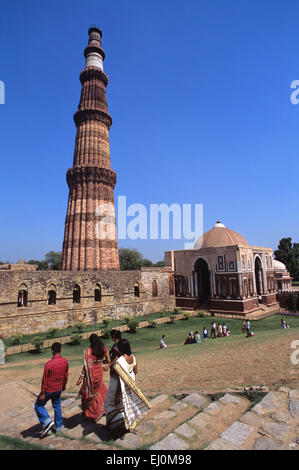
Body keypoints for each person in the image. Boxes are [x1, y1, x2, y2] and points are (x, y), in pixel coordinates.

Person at [104, 339, 151, 437]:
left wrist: (117, 395)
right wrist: (129, 380)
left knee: (110, 404)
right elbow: (135, 371)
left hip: (118, 387)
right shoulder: (133, 357)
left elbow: (119, 381)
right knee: (127, 404)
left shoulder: (120, 361)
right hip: (129, 386)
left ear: (120, 349)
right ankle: (128, 423)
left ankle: (115, 425)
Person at [34, 342, 69, 438]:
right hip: (58, 388)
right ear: (60, 350)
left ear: (52, 351)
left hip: (49, 389)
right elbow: (66, 375)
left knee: (38, 405)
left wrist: (43, 393)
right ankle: (59, 427)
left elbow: (45, 379)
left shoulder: (48, 364)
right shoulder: (65, 361)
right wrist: (64, 386)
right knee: (57, 406)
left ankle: (47, 422)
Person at [76, 334, 110, 423]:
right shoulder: (104, 349)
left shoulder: (89, 351)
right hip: (99, 373)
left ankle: (93, 413)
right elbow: (108, 361)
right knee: (99, 390)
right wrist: (102, 362)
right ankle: (102, 409)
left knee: (89, 393)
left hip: (90, 375)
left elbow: (86, 366)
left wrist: (81, 377)